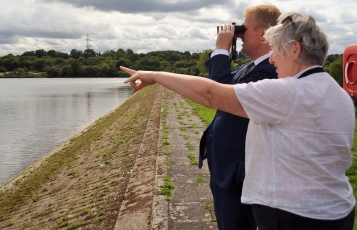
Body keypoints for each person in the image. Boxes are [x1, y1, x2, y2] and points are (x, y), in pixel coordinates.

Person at [121, 11, 356, 230]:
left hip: (293, 214)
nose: (272, 61)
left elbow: (211, 94)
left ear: (295, 50)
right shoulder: (337, 93)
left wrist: (154, 75)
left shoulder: (291, 92)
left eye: (276, 51)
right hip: (336, 210)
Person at [198, 4, 281, 230]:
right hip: (227, 168)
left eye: (245, 29)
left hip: (239, 172)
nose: (239, 33)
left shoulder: (270, 71)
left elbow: (220, 93)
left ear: (264, 33)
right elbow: (218, 85)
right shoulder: (250, 68)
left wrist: (222, 49)